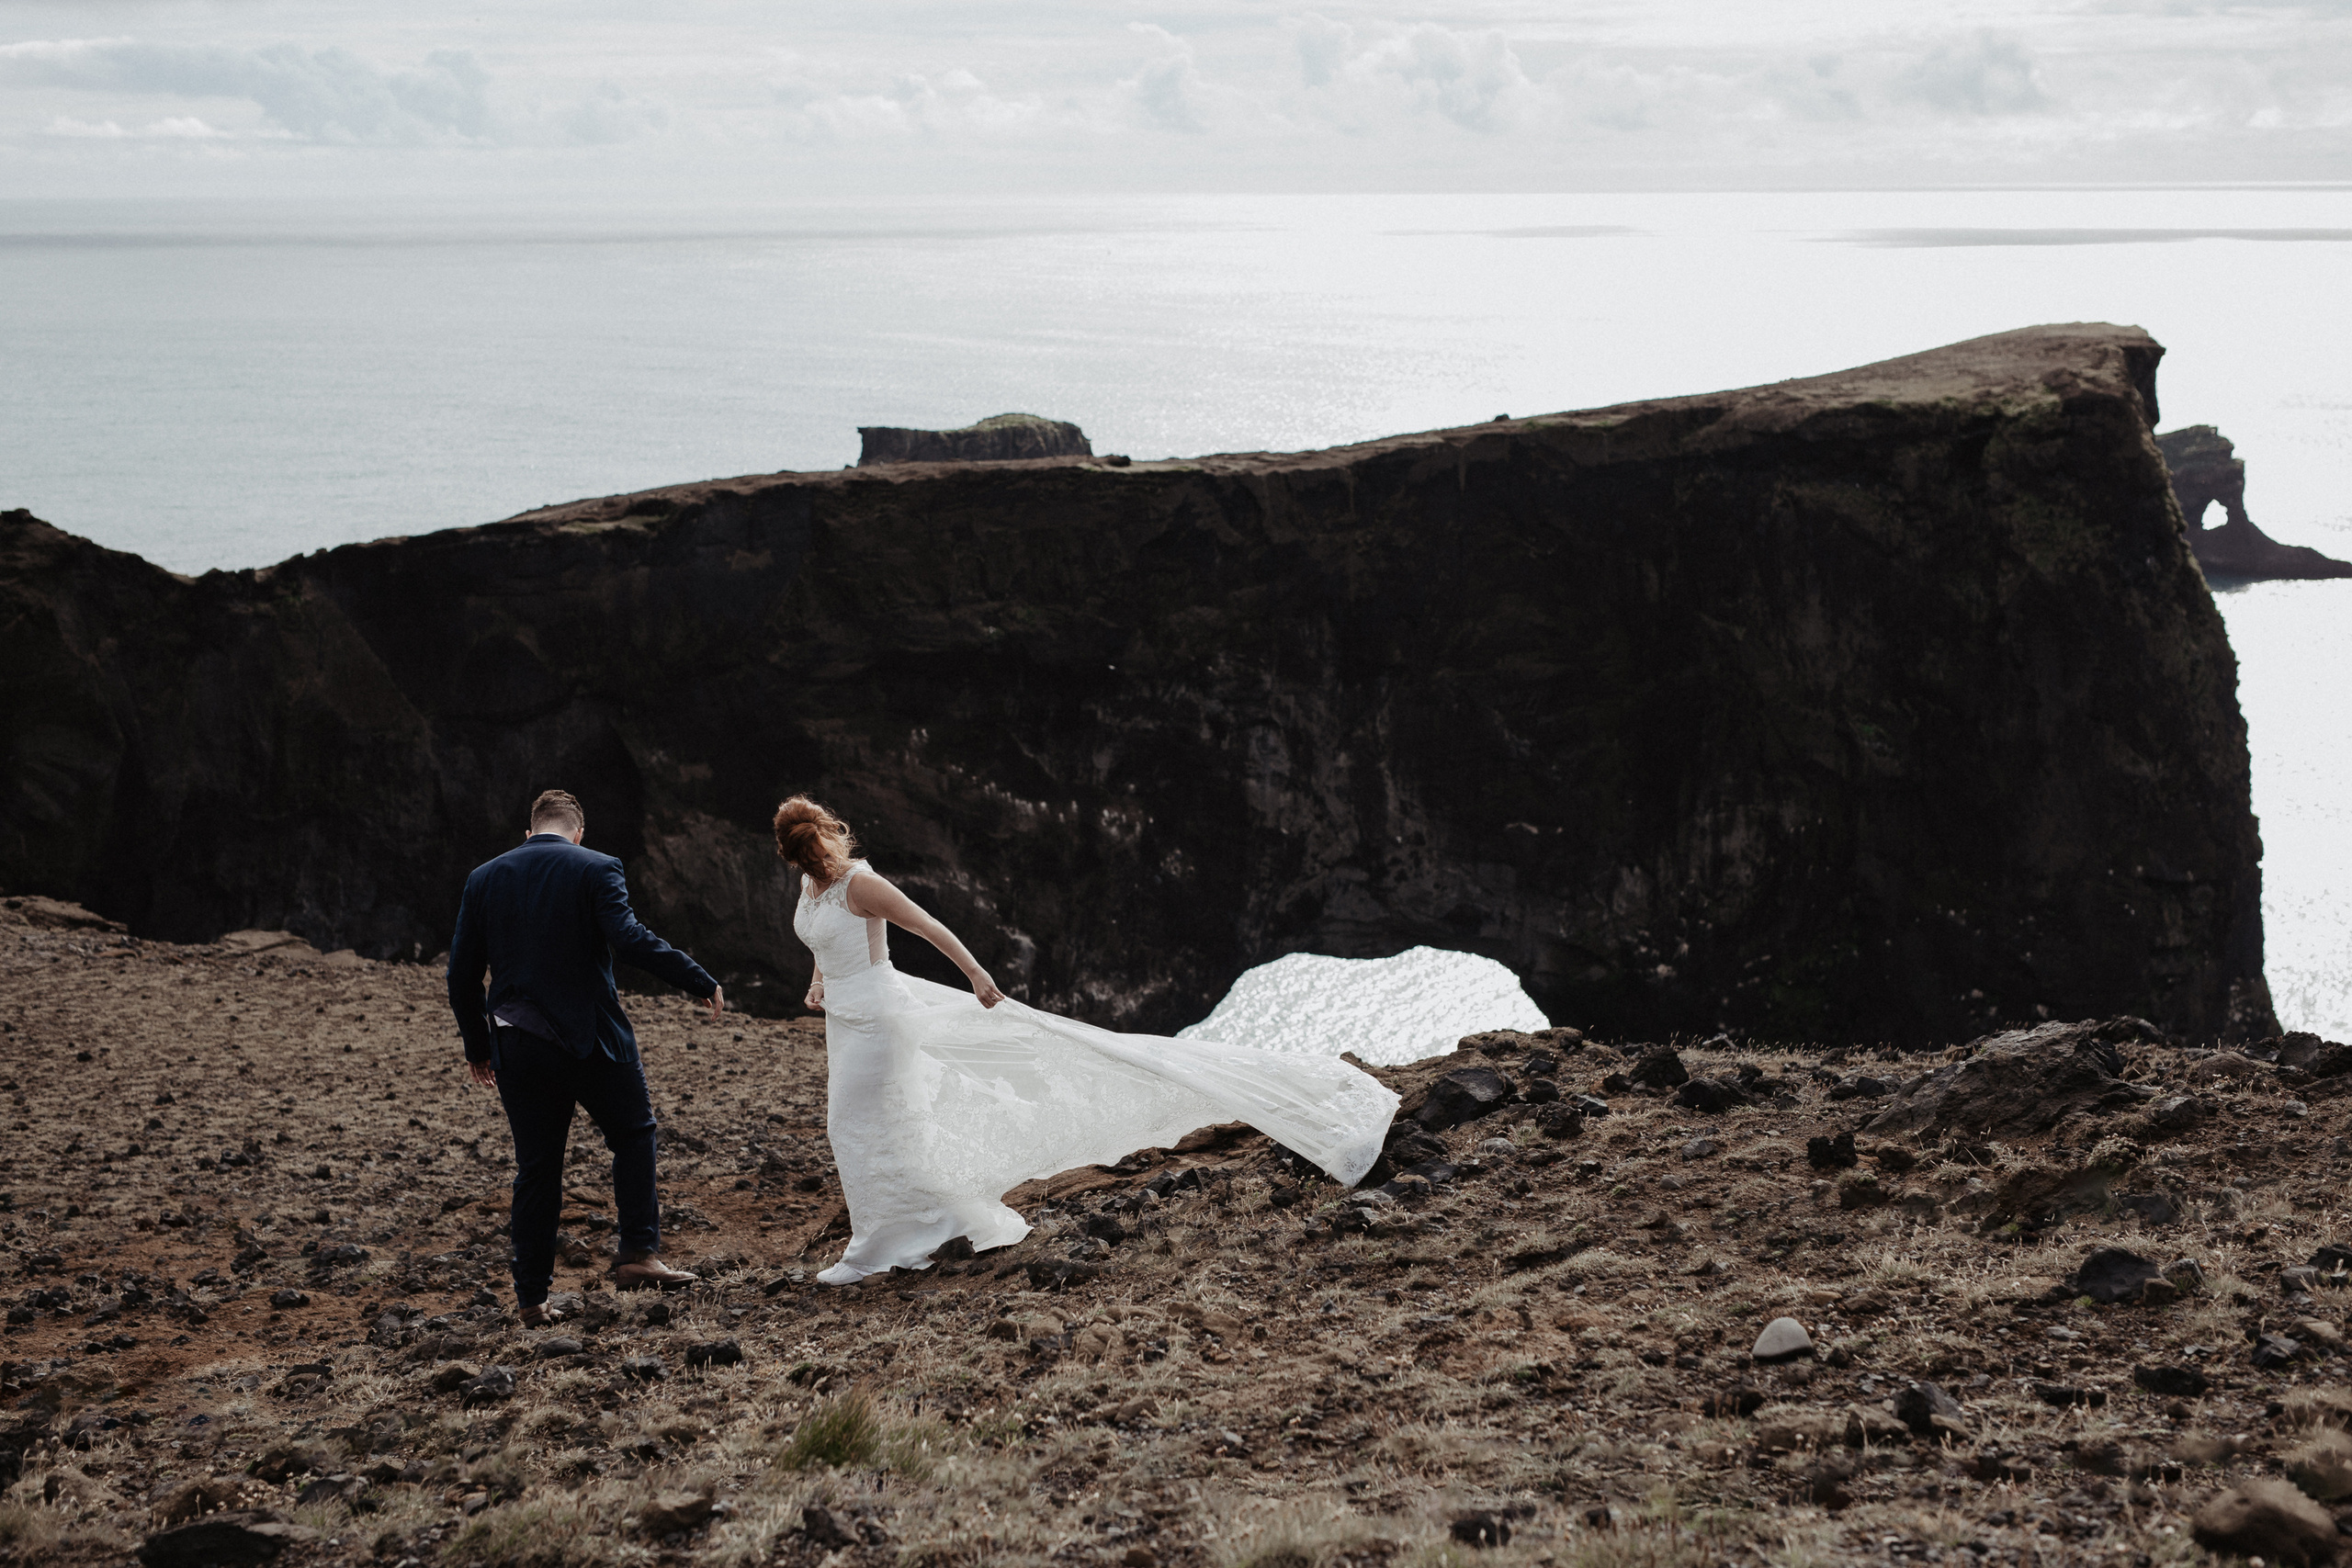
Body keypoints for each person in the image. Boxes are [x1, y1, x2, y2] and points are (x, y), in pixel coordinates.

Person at [775, 795, 1398, 1287]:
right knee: (879, 1122)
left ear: (819, 840)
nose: (803, 861)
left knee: (850, 1121)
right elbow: (824, 941)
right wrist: (818, 980)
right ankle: (930, 1226)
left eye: (805, 850)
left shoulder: (859, 882)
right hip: (845, 1018)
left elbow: (926, 924)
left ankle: (873, 1249)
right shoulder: (810, 885)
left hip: (884, 1017)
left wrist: (976, 974)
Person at [447, 788, 724, 1325]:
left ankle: (531, 1298)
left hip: (518, 1044)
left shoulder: (484, 877)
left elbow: (461, 975)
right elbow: (629, 939)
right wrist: (698, 979)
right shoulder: (598, 866)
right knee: (634, 1135)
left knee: (537, 1168)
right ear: (578, 833)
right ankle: (638, 1256)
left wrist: (478, 1047)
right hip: (593, 1039)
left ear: (529, 833)